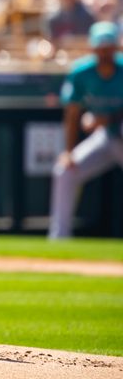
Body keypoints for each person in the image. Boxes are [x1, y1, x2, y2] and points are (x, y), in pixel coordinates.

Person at [49, 21, 123, 239]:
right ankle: (59, 238)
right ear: (93, 49)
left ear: (116, 48)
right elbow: (72, 114)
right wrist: (68, 151)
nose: (104, 53)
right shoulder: (82, 72)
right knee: (65, 171)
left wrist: (107, 119)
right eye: (100, 48)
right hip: (104, 139)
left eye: (108, 48)